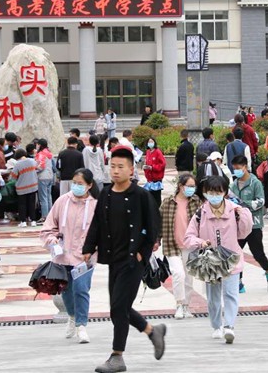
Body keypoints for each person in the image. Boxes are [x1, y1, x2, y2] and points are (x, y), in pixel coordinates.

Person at [82, 146, 166, 373]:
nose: (116, 171)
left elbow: (154, 227)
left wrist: (142, 253)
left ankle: (117, 356)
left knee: (119, 307)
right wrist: (88, 247)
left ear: (131, 169)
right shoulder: (106, 193)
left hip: (133, 260)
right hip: (114, 258)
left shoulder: (142, 196)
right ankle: (152, 331)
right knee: (119, 307)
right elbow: (97, 223)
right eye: (113, 166)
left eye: (121, 167)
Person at [185, 175, 253, 344]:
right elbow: (188, 237)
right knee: (213, 298)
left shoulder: (235, 211)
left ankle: (229, 326)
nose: (214, 196)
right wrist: (200, 242)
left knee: (230, 294)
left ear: (225, 192)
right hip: (210, 262)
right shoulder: (200, 213)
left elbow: (244, 232)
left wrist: (244, 214)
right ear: (205, 193)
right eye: (210, 192)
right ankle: (217, 326)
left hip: (231, 259)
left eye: (218, 192)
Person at [41, 168, 98, 343]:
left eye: (80, 184)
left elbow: (102, 232)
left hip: (85, 257)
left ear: (89, 185)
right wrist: (52, 239)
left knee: (81, 289)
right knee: (66, 290)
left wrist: (95, 248)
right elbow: (49, 226)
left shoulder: (95, 205)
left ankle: (81, 325)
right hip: (63, 255)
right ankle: (72, 316)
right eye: (74, 183)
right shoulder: (62, 201)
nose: (76, 186)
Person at [157, 173, 201, 320]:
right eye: (189, 186)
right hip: (172, 244)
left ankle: (187, 306)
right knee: (178, 274)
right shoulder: (168, 203)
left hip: (190, 245)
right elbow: (159, 222)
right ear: (181, 186)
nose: (192, 189)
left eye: (193, 186)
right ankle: (179, 304)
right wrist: (156, 240)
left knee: (188, 278)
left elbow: (203, 222)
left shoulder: (196, 202)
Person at [230, 155, 268, 292]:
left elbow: (260, 201)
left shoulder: (255, 183)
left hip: (254, 224)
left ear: (245, 167)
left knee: (257, 253)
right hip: (238, 225)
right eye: (234, 169)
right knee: (236, 253)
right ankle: (238, 282)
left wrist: (243, 204)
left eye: (238, 168)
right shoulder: (234, 185)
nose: (236, 171)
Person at [10, 149, 39, 227]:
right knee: (32, 204)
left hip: (22, 188)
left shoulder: (17, 164)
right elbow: (38, 168)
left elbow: (13, 177)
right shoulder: (32, 161)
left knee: (22, 205)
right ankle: (33, 221)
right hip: (33, 186)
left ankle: (23, 221)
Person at [143, 137, 167, 208]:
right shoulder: (148, 152)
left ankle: (158, 209)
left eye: (152, 141)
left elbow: (162, 164)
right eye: (149, 142)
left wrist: (152, 167)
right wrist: (145, 167)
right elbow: (147, 162)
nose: (150, 143)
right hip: (149, 179)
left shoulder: (158, 152)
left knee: (156, 197)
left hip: (157, 178)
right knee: (150, 196)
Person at [34, 139, 55, 220]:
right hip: (50, 176)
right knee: (49, 197)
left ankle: (44, 216)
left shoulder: (41, 154)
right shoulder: (49, 153)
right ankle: (50, 215)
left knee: (43, 198)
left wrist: (35, 169)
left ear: (40, 145)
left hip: (42, 177)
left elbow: (41, 166)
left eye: (37, 144)